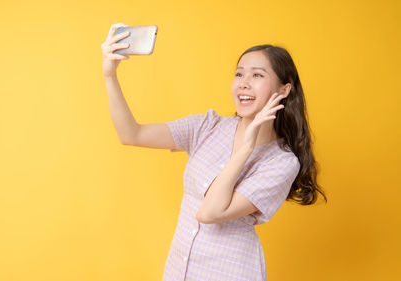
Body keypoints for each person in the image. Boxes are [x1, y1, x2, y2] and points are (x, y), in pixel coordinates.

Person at [101, 23, 327, 281]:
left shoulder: (282, 162)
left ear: (284, 89)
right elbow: (132, 134)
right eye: (239, 74)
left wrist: (245, 149)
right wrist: (110, 75)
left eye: (257, 75)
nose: (243, 84)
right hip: (179, 271)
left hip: (230, 272)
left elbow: (210, 213)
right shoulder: (208, 126)